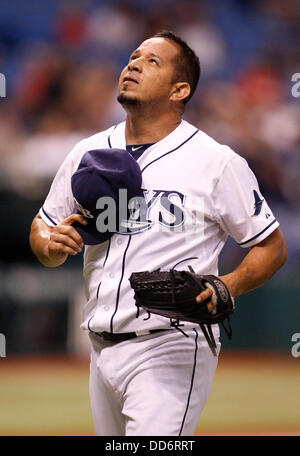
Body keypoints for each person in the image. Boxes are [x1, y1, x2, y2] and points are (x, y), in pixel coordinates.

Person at [30, 30, 287, 436]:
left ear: (179, 89)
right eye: (133, 57)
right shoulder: (89, 152)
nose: (133, 65)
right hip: (100, 343)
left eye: (152, 62)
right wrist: (49, 243)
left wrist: (230, 284)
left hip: (173, 340)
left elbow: (271, 246)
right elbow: (42, 225)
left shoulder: (216, 162)